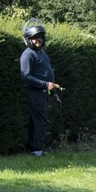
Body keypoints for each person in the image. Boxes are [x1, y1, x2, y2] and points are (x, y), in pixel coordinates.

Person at [20, 21, 59, 156]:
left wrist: (53, 92)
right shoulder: (28, 54)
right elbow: (26, 76)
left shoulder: (42, 53)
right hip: (34, 92)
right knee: (40, 120)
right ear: (29, 40)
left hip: (42, 91)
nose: (39, 40)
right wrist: (44, 85)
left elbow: (47, 74)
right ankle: (37, 150)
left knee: (35, 120)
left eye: (41, 37)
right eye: (36, 38)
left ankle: (34, 149)